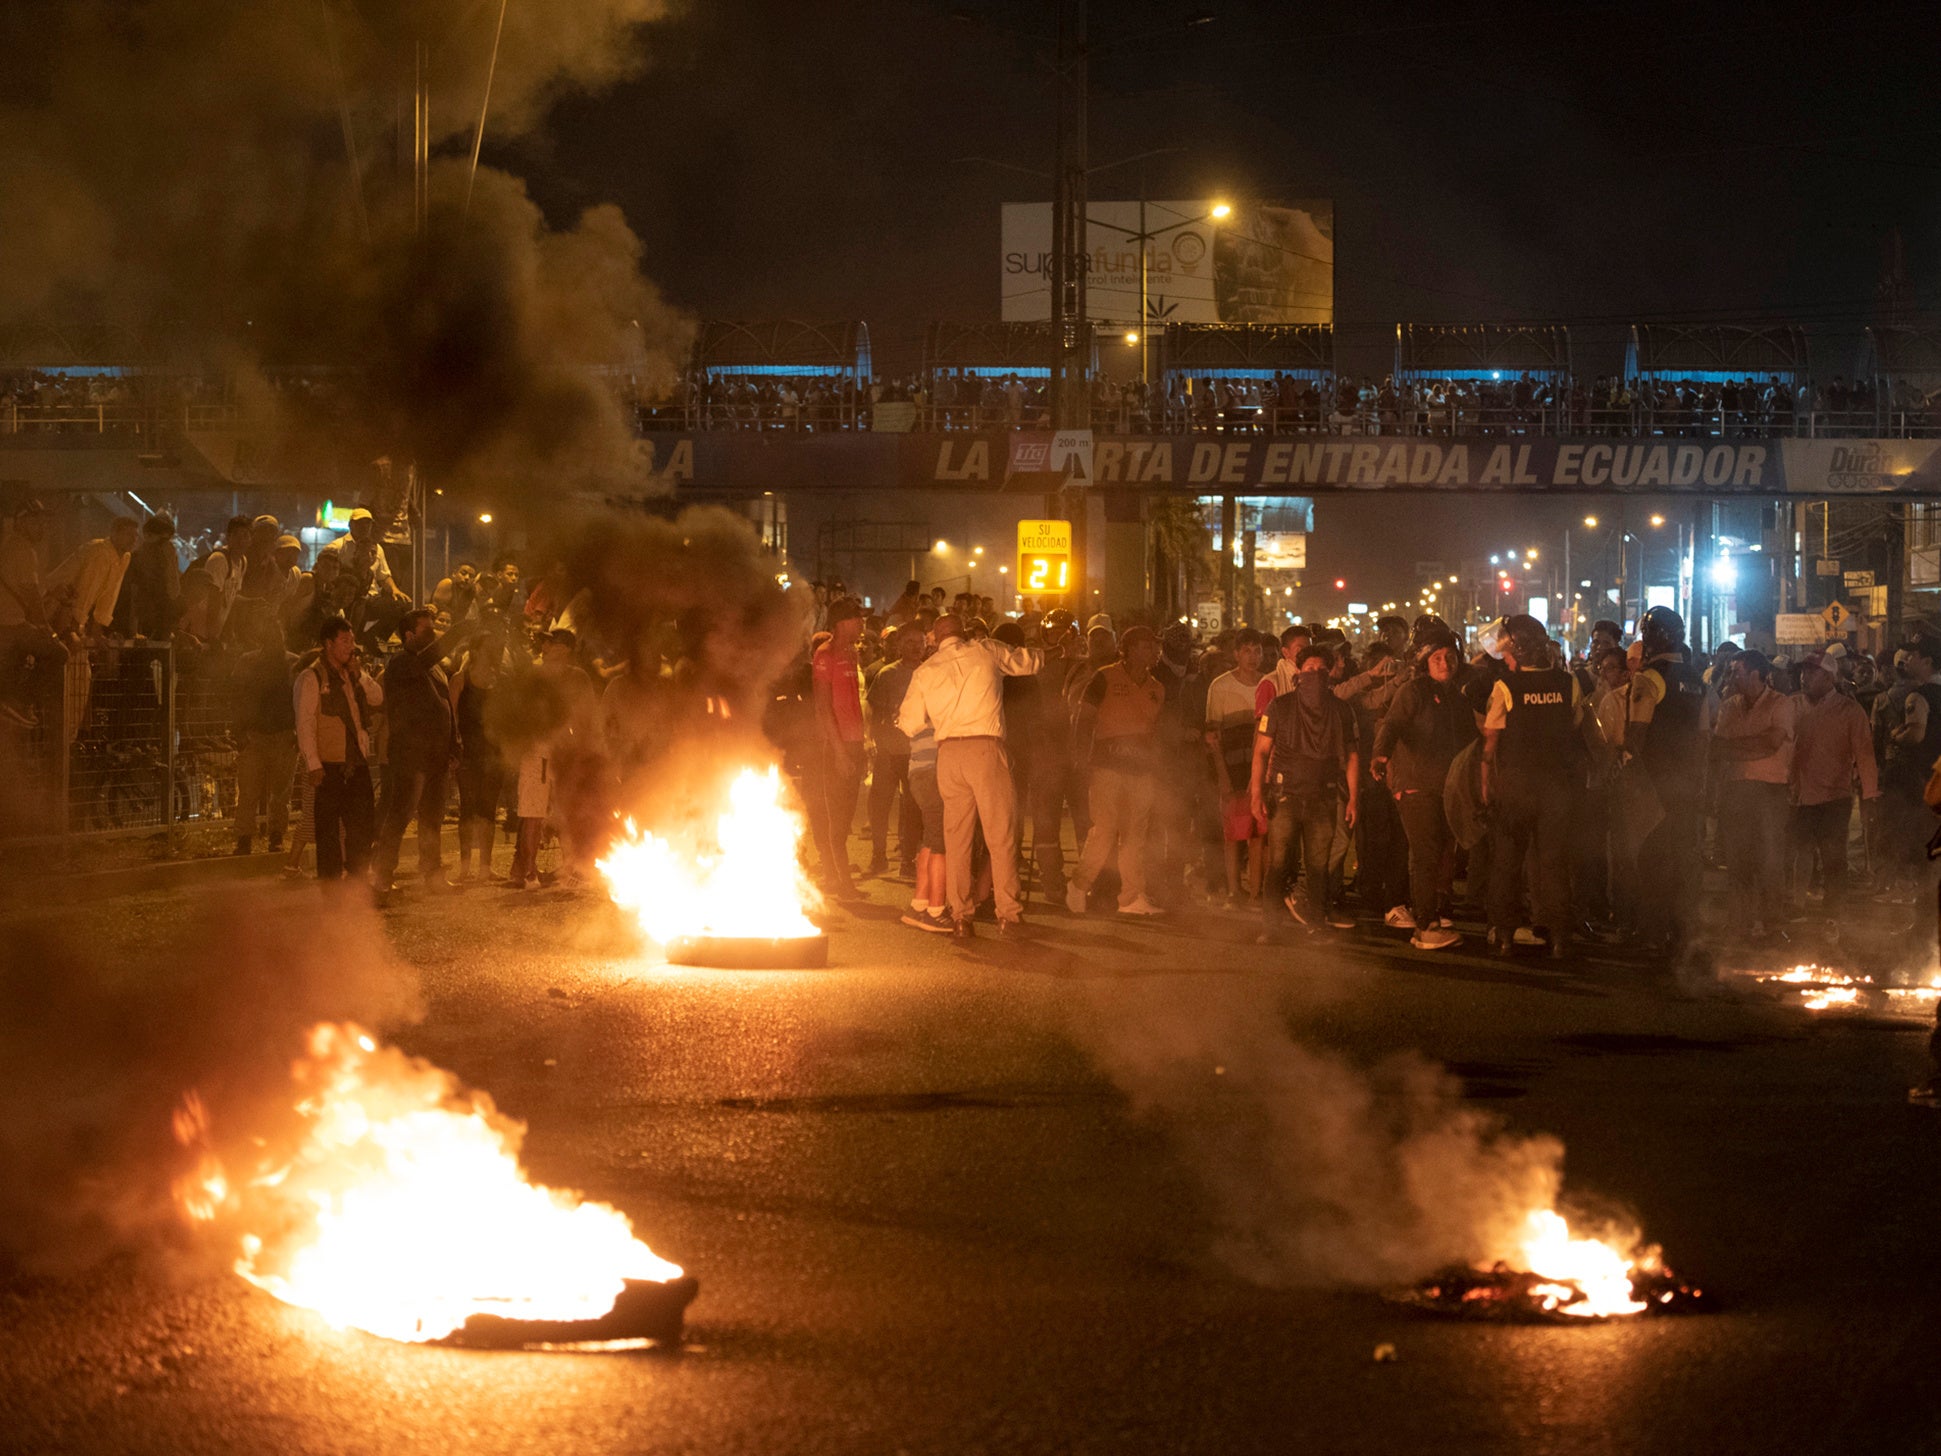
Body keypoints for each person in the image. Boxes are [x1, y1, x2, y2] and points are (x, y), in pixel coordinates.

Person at [896, 612, 1043, 938]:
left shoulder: (925, 670)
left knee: (957, 839)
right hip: (985, 749)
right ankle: (1009, 915)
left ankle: (961, 916)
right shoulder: (986, 649)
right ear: (963, 632)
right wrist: (1047, 648)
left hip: (948, 754)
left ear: (935, 637)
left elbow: (909, 722)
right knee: (999, 836)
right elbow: (1028, 663)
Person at [1480, 614, 1581, 959]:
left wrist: (1484, 788)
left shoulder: (1505, 687)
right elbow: (1579, 726)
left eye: (1507, 649)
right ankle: (1559, 939)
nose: (1504, 656)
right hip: (1557, 790)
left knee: (1507, 862)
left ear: (1519, 650)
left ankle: (1505, 934)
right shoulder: (1568, 684)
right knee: (1553, 865)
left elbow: (1490, 744)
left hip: (1515, 789)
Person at [1373, 631, 1473, 950]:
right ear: (1424, 662)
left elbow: (1470, 740)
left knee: (1445, 854)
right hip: (1416, 785)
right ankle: (1424, 926)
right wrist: (1380, 756)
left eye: (1450, 657)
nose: (1445, 663)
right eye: (1437, 658)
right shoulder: (1412, 691)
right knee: (1425, 854)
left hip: (1449, 787)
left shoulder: (1458, 696)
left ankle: (1439, 913)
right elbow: (1392, 726)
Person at [1251, 645, 1358, 941]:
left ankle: (1316, 923)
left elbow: (1351, 755)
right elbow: (1261, 752)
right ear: (1298, 672)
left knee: (1318, 866)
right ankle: (1270, 926)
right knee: (1279, 863)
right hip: (1285, 796)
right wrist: (1256, 794)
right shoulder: (1280, 706)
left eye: (1321, 670)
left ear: (1329, 674)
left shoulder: (1340, 710)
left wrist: (1353, 798)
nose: (1314, 675)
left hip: (1322, 798)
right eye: (1308, 670)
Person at [1067, 625, 1168, 918]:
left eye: (1154, 647)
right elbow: (1083, 717)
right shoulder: (1105, 677)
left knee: (1135, 836)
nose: (1153, 652)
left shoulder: (1156, 689)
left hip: (1141, 770)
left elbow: (1155, 731)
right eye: (1147, 646)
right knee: (1104, 830)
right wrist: (1080, 755)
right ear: (1130, 648)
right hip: (1107, 766)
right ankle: (1078, 884)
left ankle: (1131, 897)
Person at [1626, 606, 1709, 957]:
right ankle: (1683, 933)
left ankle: (1652, 934)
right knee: (1684, 859)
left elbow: (1635, 736)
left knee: (1650, 859)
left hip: (1654, 785)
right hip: (1688, 784)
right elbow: (1705, 737)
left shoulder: (1650, 678)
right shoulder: (1698, 680)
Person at [372, 607, 471, 902]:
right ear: (410, 636)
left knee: (432, 820)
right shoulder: (401, 664)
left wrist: (453, 745)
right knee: (400, 817)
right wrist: (460, 630)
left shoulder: (435, 668)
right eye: (428, 632)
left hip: (436, 758)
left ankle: (432, 873)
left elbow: (446, 708)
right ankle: (381, 878)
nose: (434, 637)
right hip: (411, 757)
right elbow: (428, 657)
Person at [1708, 648, 1795, 937]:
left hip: (1770, 792)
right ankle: (1739, 922)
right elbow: (1719, 747)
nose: (1731, 676)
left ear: (1757, 674)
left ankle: (1773, 923)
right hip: (1735, 790)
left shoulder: (1780, 704)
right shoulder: (1729, 704)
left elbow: (1771, 743)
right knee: (1738, 860)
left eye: (1737, 671)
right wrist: (1750, 746)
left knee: (1770, 860)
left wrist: (1736, 747)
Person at [295, 615, 382, 890]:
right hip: (329, 766)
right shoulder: (311, 678)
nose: (351, 646)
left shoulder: (353, 675)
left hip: (356, 763)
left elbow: (378, 697)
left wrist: (360, 675)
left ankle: (357, 884)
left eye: (352, 640)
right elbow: (305, 724)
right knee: (328, 832)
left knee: (361, 826)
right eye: (345, 641)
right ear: (328, 644)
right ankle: (331, 888)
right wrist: (313, 764)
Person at [1790, 649, 1877, 908]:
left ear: (1829, 677)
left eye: (1812, 672)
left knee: (1833, 854)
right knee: (1802, 851)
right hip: (1799, 794)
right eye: (1804, 671)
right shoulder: (1793, 705)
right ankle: (1798, 904)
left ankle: (1834, 908)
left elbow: (1865, 755)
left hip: (1834, 796)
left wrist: (1870, 795)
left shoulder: (1850, 711)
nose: (1804, 677)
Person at [809, 598, 868, 896]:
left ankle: (836, 877)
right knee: (838, 816)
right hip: (836, 747)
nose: (861, 624)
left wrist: (863, 745)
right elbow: (822, 708)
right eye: (857, 619)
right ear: (842, 621)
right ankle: (841, 881)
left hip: (855, 744)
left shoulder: (852, 653)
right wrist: (841, 751)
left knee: (848, 815)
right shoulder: (826, 653)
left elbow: (855, 704)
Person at [1204, 627, 1267, 905]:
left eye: (1257, 651)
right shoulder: (1220, 686)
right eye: (1246, 651)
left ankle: (1256, 890)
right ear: (1236, 654)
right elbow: (1213, 736)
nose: (1253, 657)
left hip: (1260, 768)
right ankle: (1233, 889)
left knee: (1258, 833)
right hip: (1231, 767)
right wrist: (1222, 775)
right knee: (1233, 833)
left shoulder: (1268, 685)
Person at [231, 607, 298, 855]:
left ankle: (272, 837)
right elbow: (236, 699)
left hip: (281, 737)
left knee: (277, 794)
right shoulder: (249, 662)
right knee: (252, 793)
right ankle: (247, 839)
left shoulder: (293, 663)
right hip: (258, 737)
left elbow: (303, 702)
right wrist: (240, 735)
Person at [0, 498, 68, 728]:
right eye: (35, 522)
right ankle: (21, 701)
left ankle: (10, 700)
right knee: (58, 653)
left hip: (7, 625)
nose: (42, 527)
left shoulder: (8, 545)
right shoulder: (24, 550)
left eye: (43, 522)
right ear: (21, 523)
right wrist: (46, 628)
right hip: (10, 625)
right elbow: (31, 594)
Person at [864, 623, 924, 877]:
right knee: (879, 804)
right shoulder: (887, 674)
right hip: (889, 750)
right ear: (899, 645)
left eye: (919, 642)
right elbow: (872, 711)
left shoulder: (930, 673)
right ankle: (879, 855)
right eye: (909, 642)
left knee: (912, 808)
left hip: (918, 752)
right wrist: (873, 741)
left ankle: (908, 859)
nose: (914, 647)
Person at [46, 514, 137, 639]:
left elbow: (110, 594)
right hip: (55, 603)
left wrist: (97, 628)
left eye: (135, 535)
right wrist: (76, 626)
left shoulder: (125, 557)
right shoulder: (99, 552)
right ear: (114, 533)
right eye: (128, 535)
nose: (133, 540)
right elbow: (85, 589)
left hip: (69, 606)